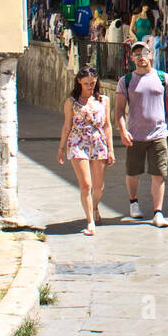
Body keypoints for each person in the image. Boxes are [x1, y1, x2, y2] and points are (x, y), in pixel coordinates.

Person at [115, 41, 168, 227]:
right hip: (135, 135)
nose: (141, 57)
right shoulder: (125, 81)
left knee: (159, 174)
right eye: (136, 54)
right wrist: (123, 130)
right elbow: (118, 110)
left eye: (144, 53)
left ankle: (158, 212)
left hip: (158, 134)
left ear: (151, 55)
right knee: (133, 172)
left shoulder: (163, 78)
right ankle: (133, 201)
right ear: (132, 58)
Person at [56, 67, 113, 236]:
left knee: (99, 187)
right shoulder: (72, 102)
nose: (90, 86)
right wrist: (61, 148)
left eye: (93, 83)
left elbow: (107, 125)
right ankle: (90, 221)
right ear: (79, 82)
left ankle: (94, 206)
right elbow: (67, 125)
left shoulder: (104, 100)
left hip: (98, 141)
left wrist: (111, 150)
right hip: (78, 142)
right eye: (87, 83)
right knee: (86, 185)